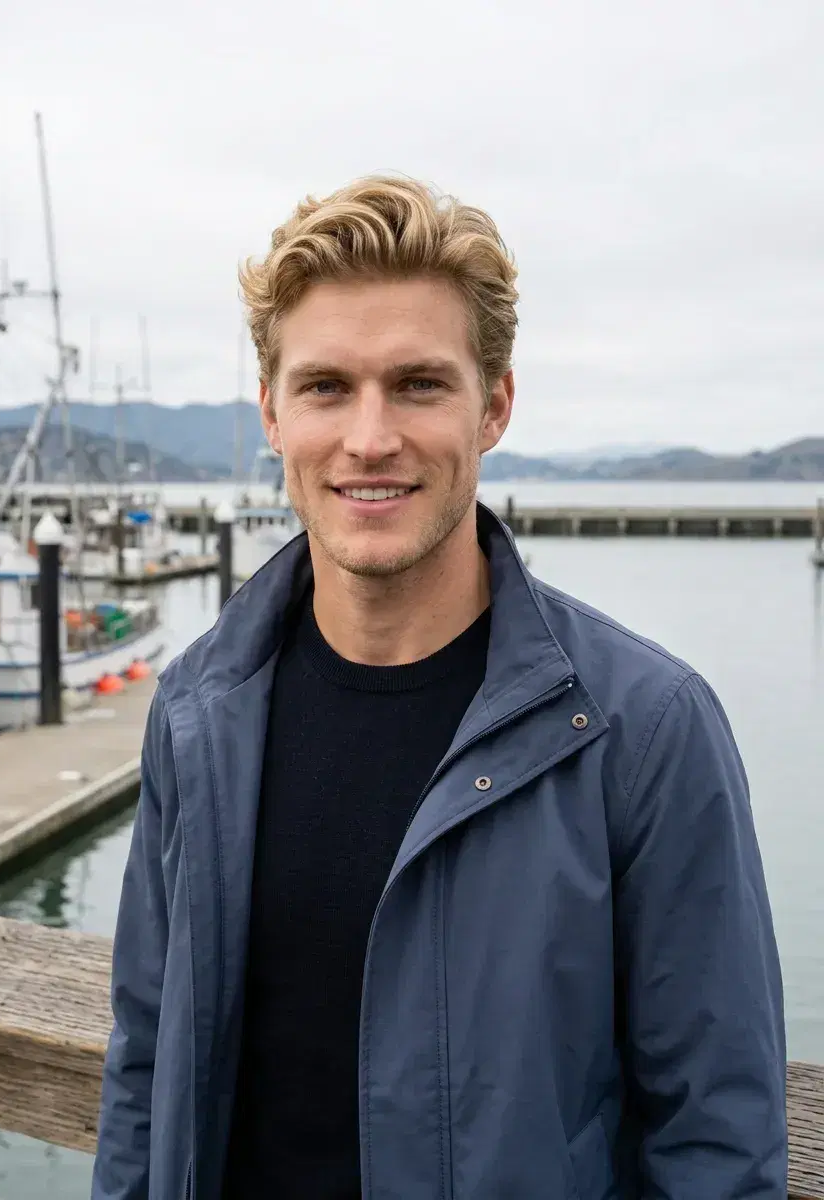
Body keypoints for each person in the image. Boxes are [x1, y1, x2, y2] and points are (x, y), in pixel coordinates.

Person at [91, 176, 788, 1199]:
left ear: (493, 405)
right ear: (271, 416)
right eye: (326, 386)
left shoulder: (643, 731)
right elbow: (144, 1066)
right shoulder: (201, 707)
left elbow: (717, 1142)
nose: (368, 438)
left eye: (417, 384)